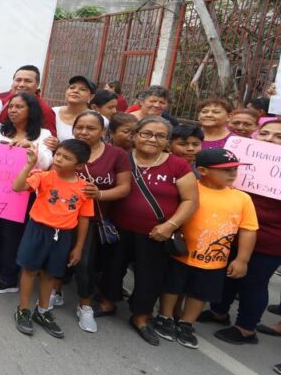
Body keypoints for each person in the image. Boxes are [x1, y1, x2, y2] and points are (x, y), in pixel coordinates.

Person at [105, 116, 199, 346]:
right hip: (118, 229)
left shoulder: (178, 165)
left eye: (160, 135)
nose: (152, 139)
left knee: (150, 277)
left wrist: (170, 225)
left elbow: (190, 201)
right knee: (111, 269)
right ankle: (107, 301)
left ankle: (141, 316)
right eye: (146, 133)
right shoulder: (122, 158)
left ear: (167, 141)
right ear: (135, 136)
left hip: (156, 233)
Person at [153, 148, 257, 349]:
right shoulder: (191, 191)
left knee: (200, 293)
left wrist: (242, 259)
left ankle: (186, 323)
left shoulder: (243, 199)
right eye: (226, 170)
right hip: (180, 253)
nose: (233, 173)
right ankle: (164, 316)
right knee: (172, 286)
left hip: (214, 261)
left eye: (235, 168)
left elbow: (248, 230)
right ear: (202, 170)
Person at [207, 119, 281, 343]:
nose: (269, 139)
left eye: (278, 136)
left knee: (253, 282)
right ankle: (218, 312)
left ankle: (246, 328)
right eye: (265, 133)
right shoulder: (242, 159)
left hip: (270, 237)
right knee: (225, 274)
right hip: (232, 230)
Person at [11, 139, 93, 338]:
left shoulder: (85, 188)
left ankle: (43, 310)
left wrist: (79, 247)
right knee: (29, 270)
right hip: (37, 230)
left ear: (79, 165)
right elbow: (17, 187)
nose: (59, 159)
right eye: (58, 155)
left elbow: (84, 219)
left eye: (67, 158)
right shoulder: (44, 176)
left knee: (50, 274)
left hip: (63, 235)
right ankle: (23, 309)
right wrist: (30, 164)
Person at [0, 93, 55, 293]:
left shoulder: (42, 135)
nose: (13, 110)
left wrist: (32, 148)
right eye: (11, 106)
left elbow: (46, 163)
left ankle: (8, 277)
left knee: (12, 234)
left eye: (19, 107)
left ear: (31, 111)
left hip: (22, 193)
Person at [69, 110, 131, 333]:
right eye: (80, 127)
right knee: (58, 259)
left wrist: (100, 195)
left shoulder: (117, 155)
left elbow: (124, 188)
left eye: (91, 128)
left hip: (95, 221)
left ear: (103, 131)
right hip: (63, 217)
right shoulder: (66, 148)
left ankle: (84, 305)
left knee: (85, 264)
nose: (84, 132)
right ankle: (52, 294)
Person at [0, 65, 56, 133]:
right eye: (18, 80)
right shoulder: (1, 97)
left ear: (37, 84)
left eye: (28, 81)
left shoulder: (44, 109)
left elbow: (50, 140)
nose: (21, 84)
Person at [52, 75, 97, 142]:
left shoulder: (97, 119)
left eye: (82, 89)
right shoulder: (53, 112)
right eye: (72, 88)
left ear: (91, 96)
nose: (75, 91)